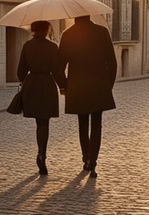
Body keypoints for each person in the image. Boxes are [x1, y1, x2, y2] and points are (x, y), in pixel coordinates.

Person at [59, 15, 117, 178]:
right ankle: (93, 161)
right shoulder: (102, 32)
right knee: (97, 124)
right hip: (99, 85)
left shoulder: (68, 34)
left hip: (77, 86)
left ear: (75, 17)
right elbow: (111, 62)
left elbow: (60, 65)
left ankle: (86, 158)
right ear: (89, 15)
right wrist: (108, 85)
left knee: (82, 123)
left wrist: (63, 85)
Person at [17, 20, 66, 176]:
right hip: (46, 85)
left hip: (32, 85)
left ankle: (40, 153)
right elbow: (56, 70)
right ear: (46, 30)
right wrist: (64, 86)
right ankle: (42, 153)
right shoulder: (52, 47)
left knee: (38, 121)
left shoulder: (27, 46)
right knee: (44, 122)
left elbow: (20, 72)